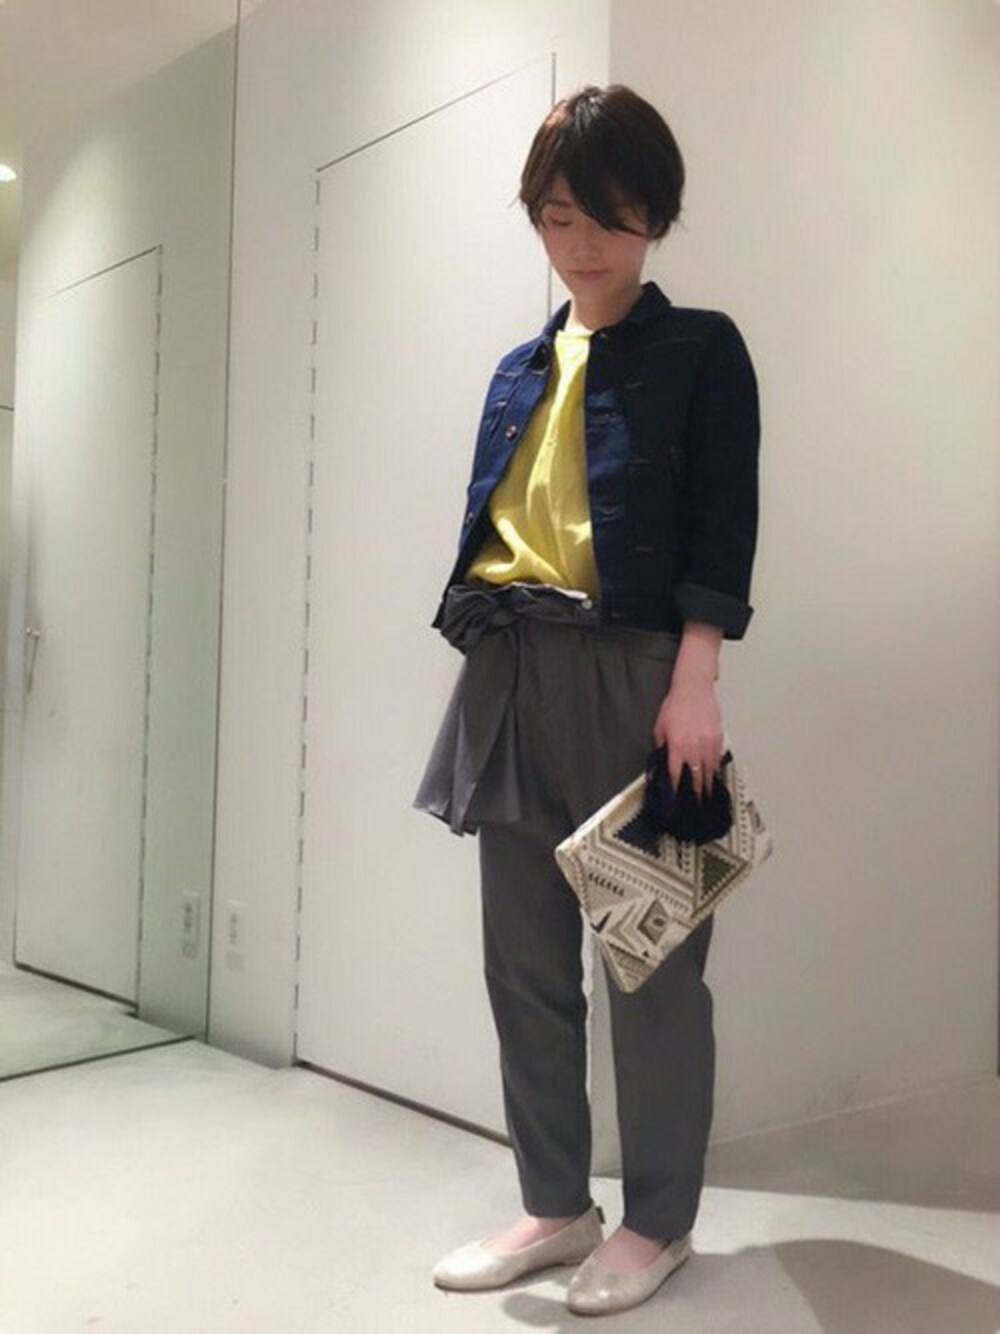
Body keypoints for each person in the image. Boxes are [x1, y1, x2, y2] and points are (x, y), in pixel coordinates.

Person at [413, 82, 760, 1317]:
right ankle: (555, 1203)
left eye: (608, 216)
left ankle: (657, 1217)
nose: (582, 242)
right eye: (558, 217)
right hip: (511, 670)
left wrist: (694, 678)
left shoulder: (700, 350)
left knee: (650, 965)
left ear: (653, 213)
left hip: (635, 674)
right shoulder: (516, 370)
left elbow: (720, 524)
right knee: (521, 960)